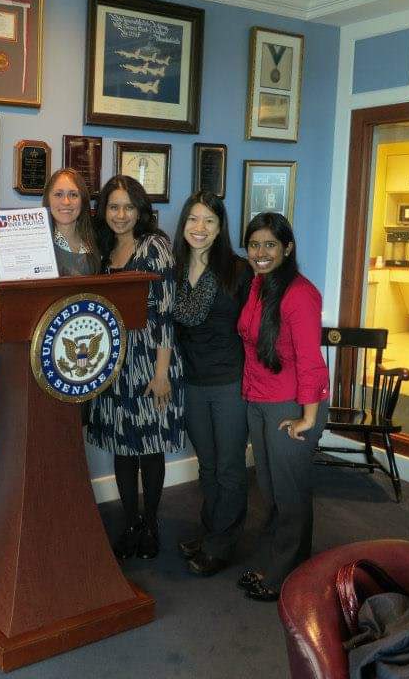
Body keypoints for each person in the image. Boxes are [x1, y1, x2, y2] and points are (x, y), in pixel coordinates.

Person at [87, 174, 185, 560]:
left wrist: (161, 374)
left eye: (128, 207)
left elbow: (164, 314)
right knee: (122, 447)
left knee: (149, 447)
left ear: (140, 210)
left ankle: (151, 524)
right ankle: (130, 524)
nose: (121, 214)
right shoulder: (104, 248)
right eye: (114, 206)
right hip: (113, 362)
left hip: (149, 360)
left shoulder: (154, 246)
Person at [236, 212, 329, 602]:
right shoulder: (259, 285)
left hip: (292, 404)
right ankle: (283, 563)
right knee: (272, 490)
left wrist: (308, 417)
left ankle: (283, 576)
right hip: (259, 400)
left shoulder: (300, 294)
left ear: (287, 248)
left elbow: (310, 360)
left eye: (270, 245)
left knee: (290, 495)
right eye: (254, 244)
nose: (260, 252)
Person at [172, 191, 252, 576]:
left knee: (229, 467)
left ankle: (221, 544)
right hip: (191, 381)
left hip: (229, 382)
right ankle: (211, 531)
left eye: (209, 220)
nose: (199, 227)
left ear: (220, 228)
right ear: (183, 223)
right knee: (207, 465)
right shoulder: (174, 268)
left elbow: (257, 326)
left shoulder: (238, 270)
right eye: (193, 218)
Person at [41, 168, 100, 277]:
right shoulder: (37, 243)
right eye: (58, 194)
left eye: (73, 195)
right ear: (48, 199)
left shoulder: (96, 240)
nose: (66, 202)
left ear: (82, 201)